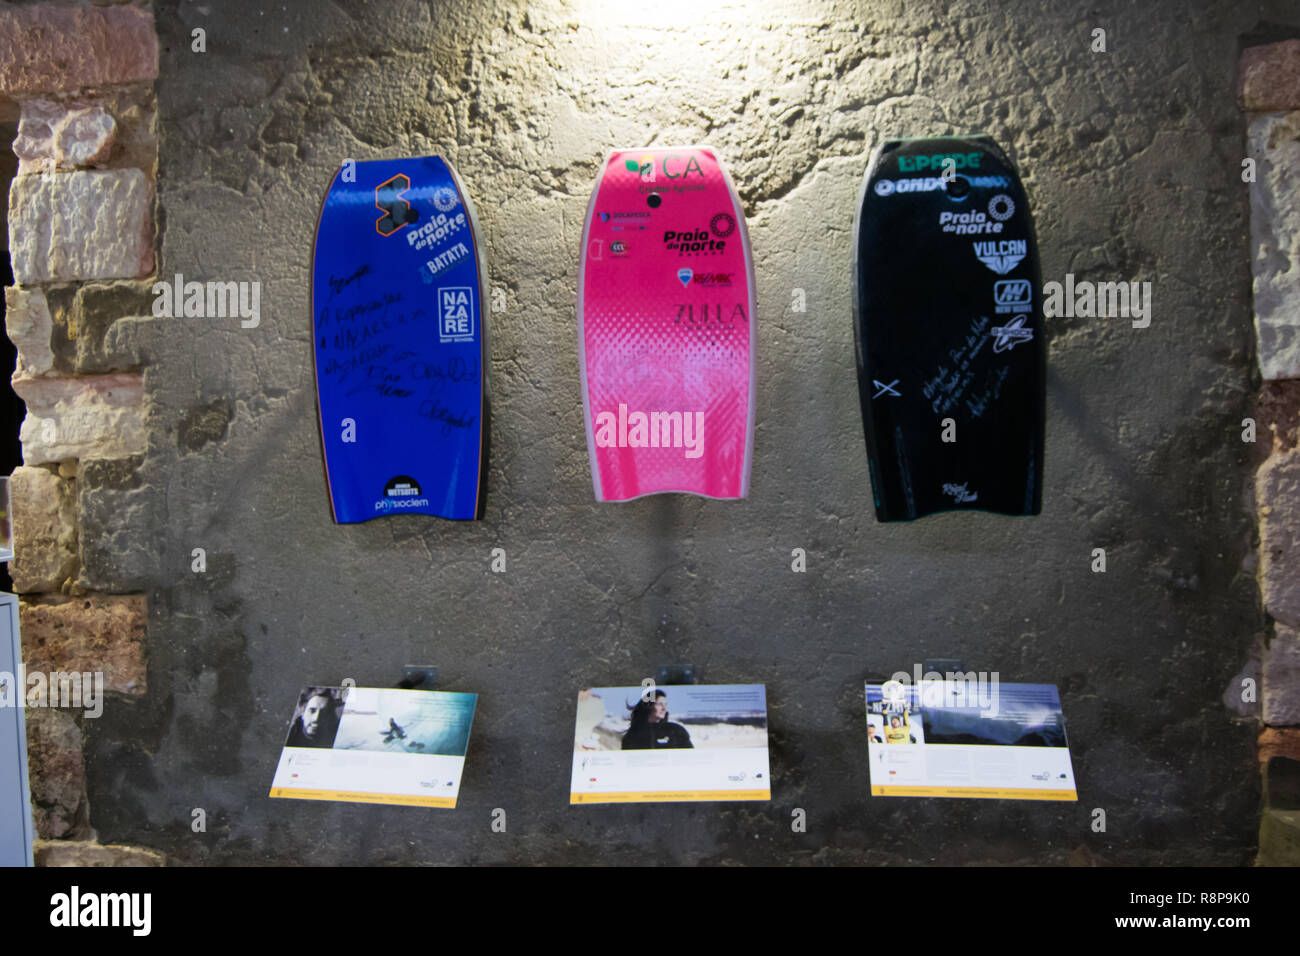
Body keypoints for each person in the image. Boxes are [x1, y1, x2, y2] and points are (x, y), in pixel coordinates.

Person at [621, 689, 693, 750]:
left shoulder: (676, 731)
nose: (664, 708)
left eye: (665, 704)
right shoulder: (632, 736)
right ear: (649, 706)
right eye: (660, 704)